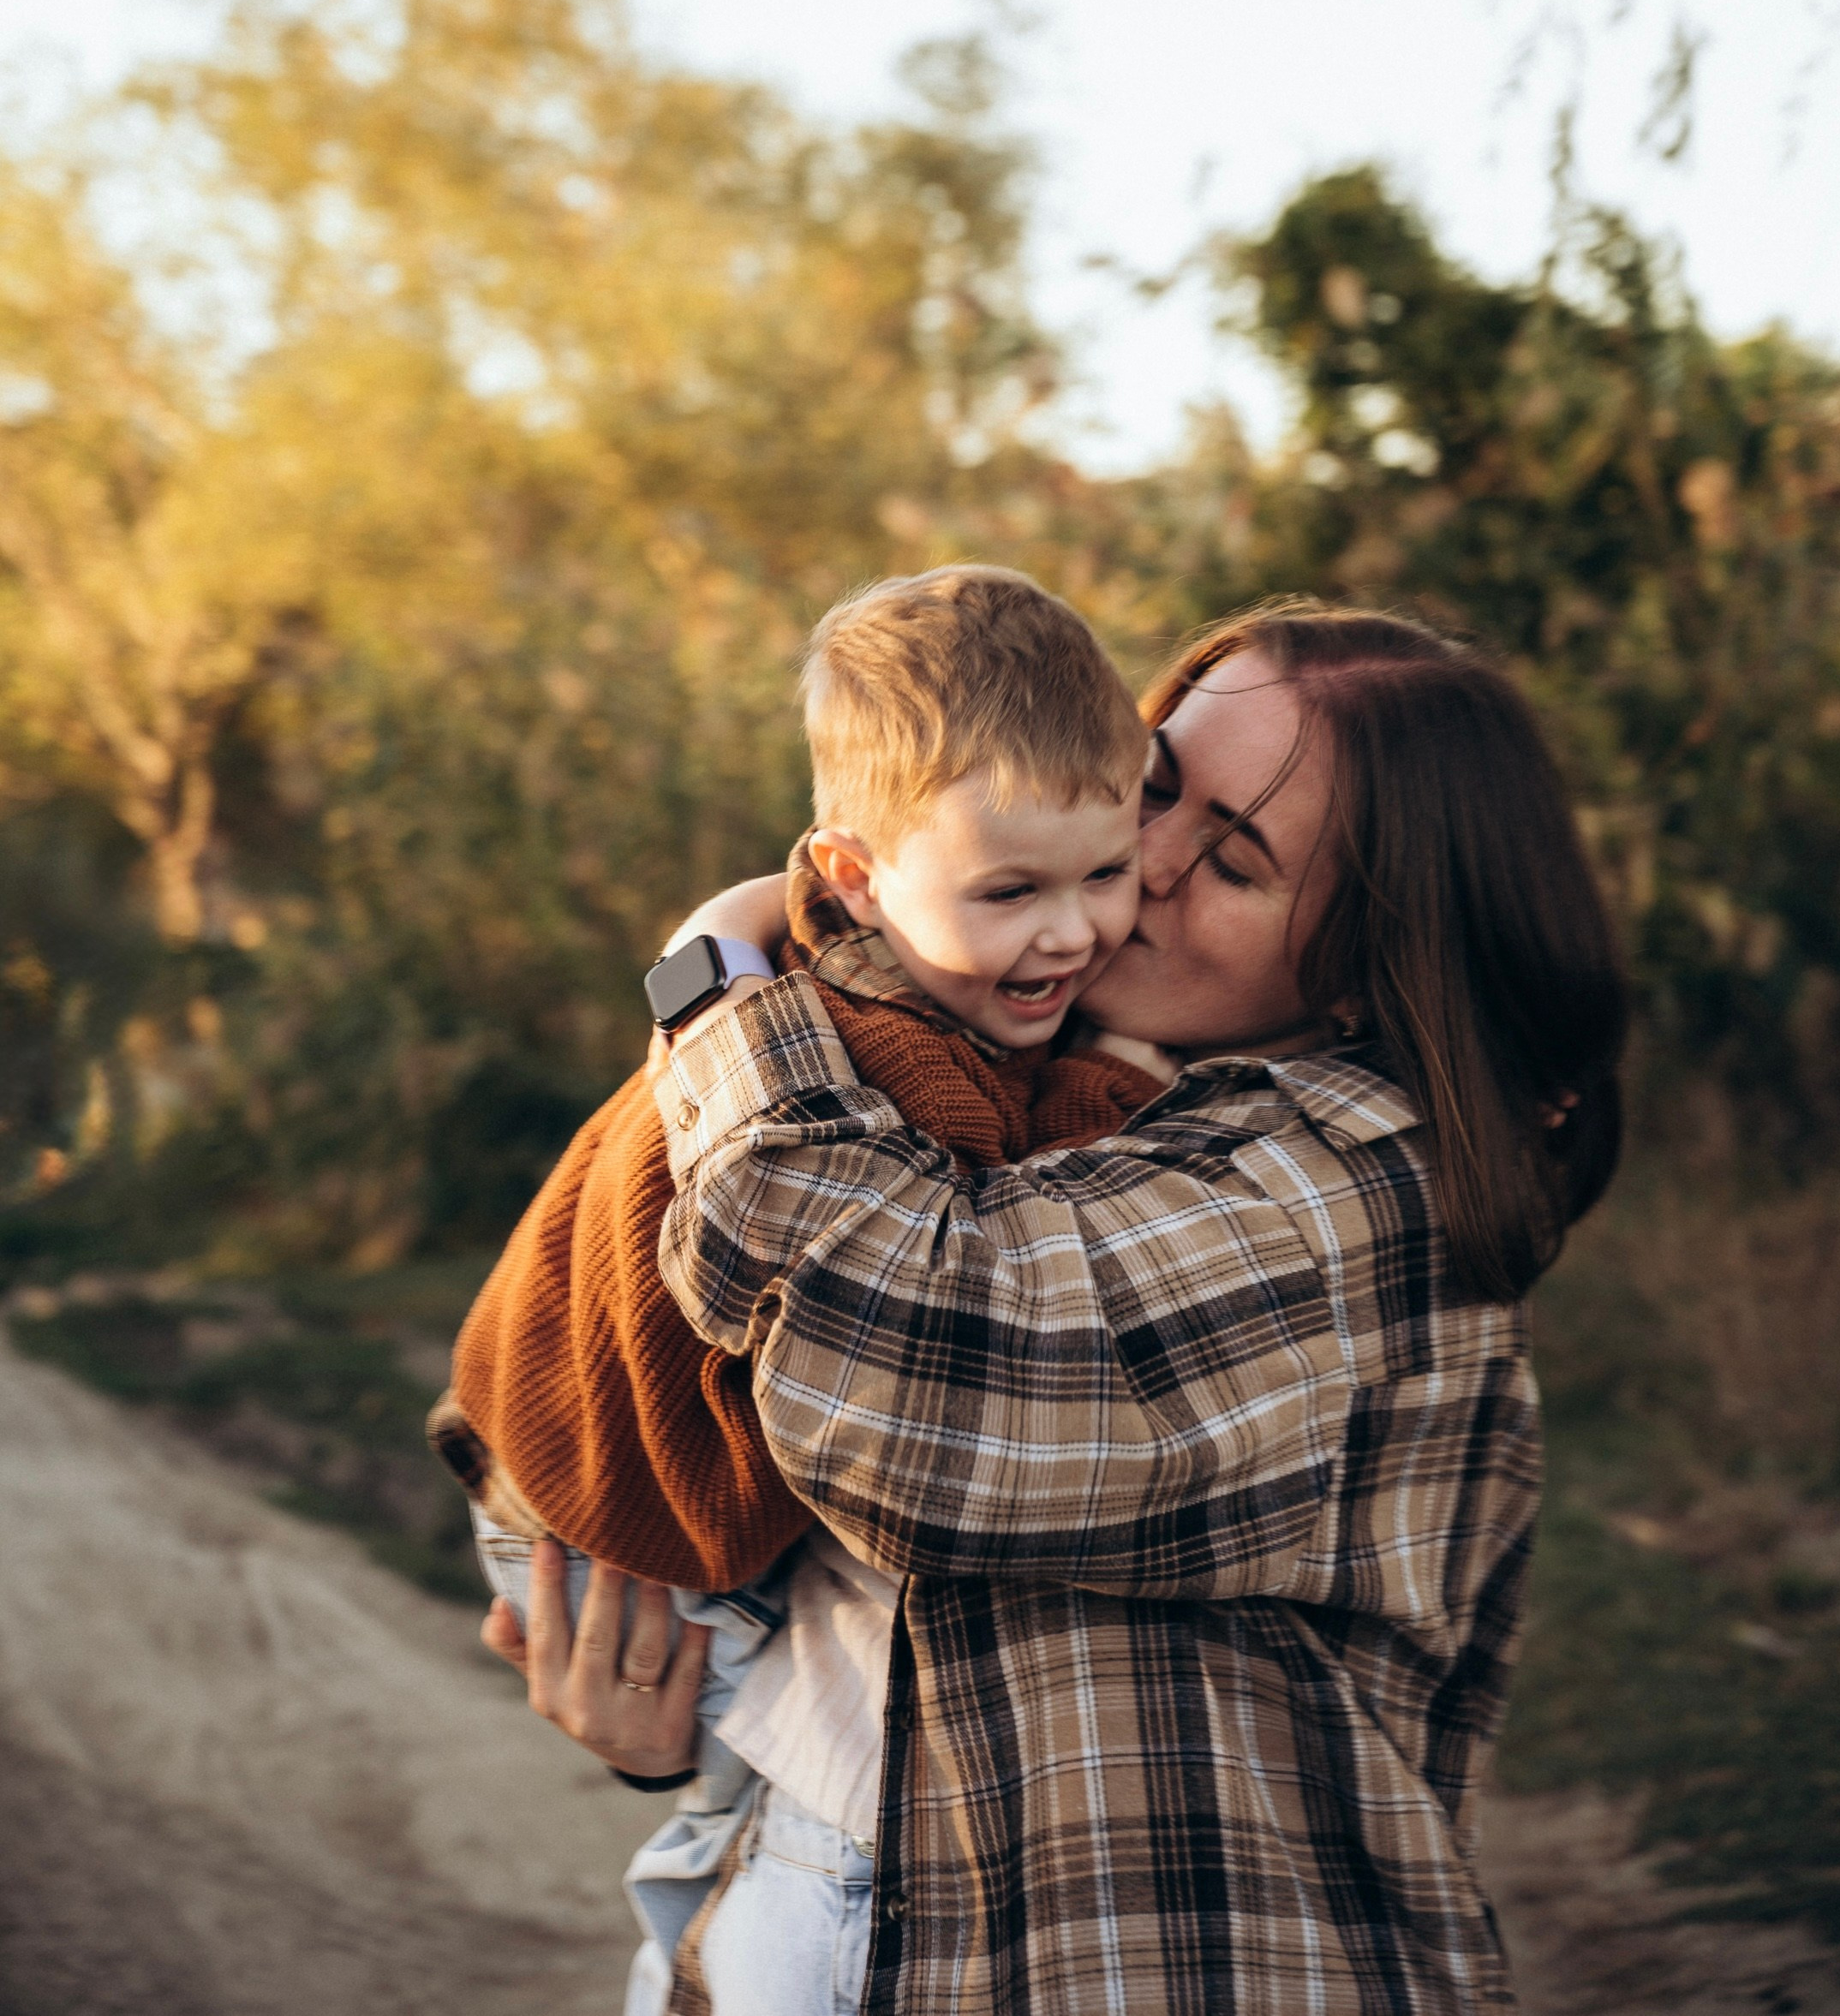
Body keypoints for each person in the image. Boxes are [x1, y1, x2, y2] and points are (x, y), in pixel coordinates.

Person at [499, 599, 1625, 2016]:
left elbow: (905, 1368)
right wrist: (668, 1695)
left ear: (1367, 964)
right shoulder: (1035, 1078)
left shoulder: (1356, 1178)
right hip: (848, 1901)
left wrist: (717, 978)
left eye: (1230, 857)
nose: (1134, 867)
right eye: (1152, 785)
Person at [459, 567, 1169, 2007]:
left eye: (1108, 871)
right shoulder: (885, 1047)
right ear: (853, 874)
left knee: (738, 1810)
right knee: (770, 1802)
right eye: (1012, 890)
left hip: (536, 1448)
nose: (1075, 932)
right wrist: (1135, 1091)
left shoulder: (807, 954)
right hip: (600, 1504)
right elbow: (989, 1226)